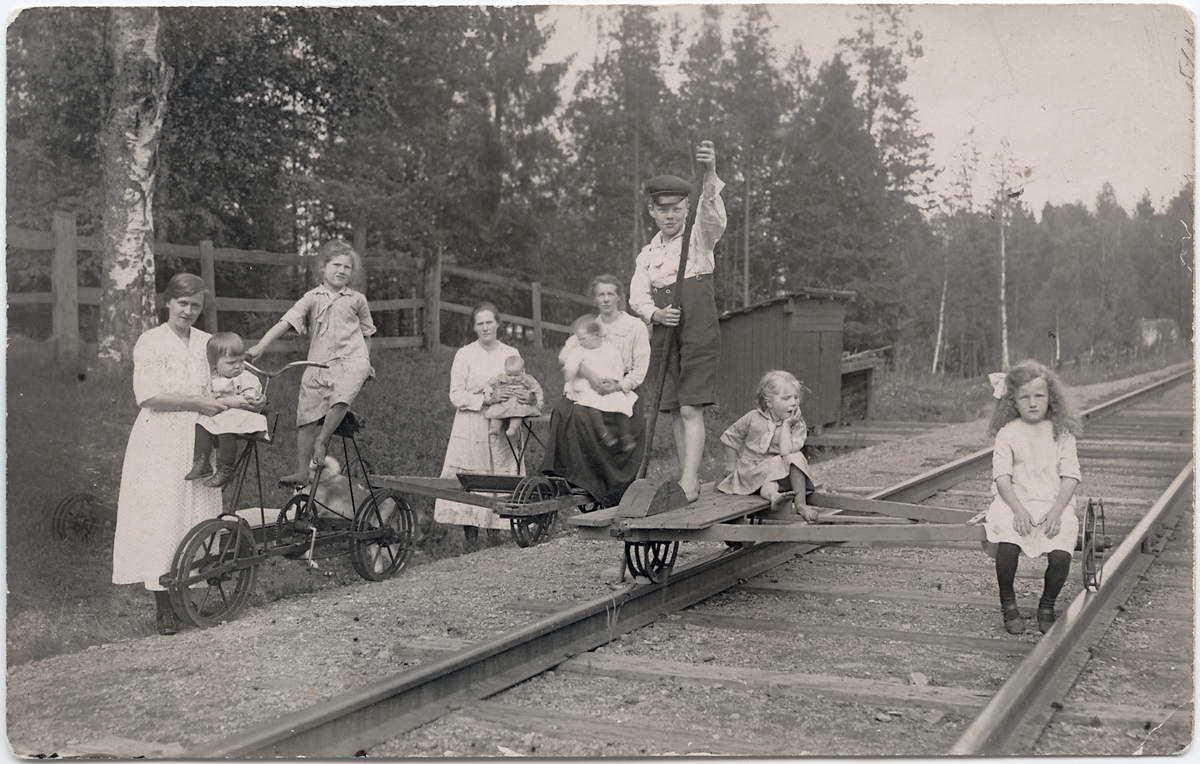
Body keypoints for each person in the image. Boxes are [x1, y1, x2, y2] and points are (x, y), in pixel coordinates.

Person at [111, 273, 229, 636]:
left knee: (194, 513)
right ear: (168, 302)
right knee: (162, 517)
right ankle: (163, 606)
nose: (188, 311)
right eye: (182, 303)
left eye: (196, 305)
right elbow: (148, 396)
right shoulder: (151, 341)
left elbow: (223, 380)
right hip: (160, 438)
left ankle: (186, 597)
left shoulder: (207, 342)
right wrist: (198, 402)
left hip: (199, 438)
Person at [629, 140, 727, 502]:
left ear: (687, 208)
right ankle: (689, 478)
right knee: (673, 408)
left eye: (677, 208)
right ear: (652, 211)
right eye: (663, 209)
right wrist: (655, 314)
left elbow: (713, 216)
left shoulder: (699, 238)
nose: (670, 216)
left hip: (698, 326)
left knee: (690, 405)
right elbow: (637, 296)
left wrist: (711, 172)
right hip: (665, 330)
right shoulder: (647, 254)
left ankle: (688, 480)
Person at [246, 240, 375, 485]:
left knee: (342, 396)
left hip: (352, 360)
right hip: (319, 362)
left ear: (352, 272)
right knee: (306, 418)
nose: (341, 270)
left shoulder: (357, 299)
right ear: (323, 267)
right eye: (336, 265)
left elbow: (367, 333)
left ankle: (323, 440)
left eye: (347, 267)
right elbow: (286, 321)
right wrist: (261, 346)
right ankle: (303, 471)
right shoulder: (312, 298)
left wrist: (366, 362)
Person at [982, 361, 1083, 635]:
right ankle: (1008, 605)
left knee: (1061, 554)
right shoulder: (1008, 433)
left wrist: (1057, 511)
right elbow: (1002, 477)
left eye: (1039, 395)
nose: (1033, 403)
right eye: (1024, 397)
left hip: (1053, 503)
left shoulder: (1061, 433)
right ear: (1013, 401)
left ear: (1050, 397)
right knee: (1008, 546)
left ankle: (1047, 605)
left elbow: (1070, 476)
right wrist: (1018, 510)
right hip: (1014, 502)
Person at [541, 275, 651, 508]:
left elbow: (640, 371)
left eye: (610, 294)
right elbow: (565, 355)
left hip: (622, 391)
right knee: (562, 409)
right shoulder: (590, 325)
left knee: (581, 414)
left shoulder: (634, 326)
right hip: (590, 389)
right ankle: (566, 477)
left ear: (619, 297)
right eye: (601, 294)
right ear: (595, 298)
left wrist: (618, 385)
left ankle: (595, 482)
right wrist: (586, 371)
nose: (606, 299)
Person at [435, 303, 527, 540]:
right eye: (480, 323)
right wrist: (487, 399)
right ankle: (471, 537)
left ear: (498, 324)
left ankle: (496, 531)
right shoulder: (465, 354)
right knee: (472, 473)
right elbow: (456, 395)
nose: (485, 328)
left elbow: (521, 386)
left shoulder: (510, 353)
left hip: (502, 423)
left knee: (499, 472)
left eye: (489, 322)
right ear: (474, 327)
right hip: (471, 422)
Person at [717, 370, 817, 521]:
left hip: (780, 473)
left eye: (796, 397)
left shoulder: (797, 425)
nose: (793, 402)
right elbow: (730, 437)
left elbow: (786, 452)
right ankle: (775, 497)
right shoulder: (753, 418)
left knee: (796, 457)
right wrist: (731, 463)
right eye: (786, 398)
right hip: (752, 471)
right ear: (769, 403)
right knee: (770, 482)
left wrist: (786, 425)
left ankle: (800, 504)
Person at [184, 332, 269, 488]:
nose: (238, 366)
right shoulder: (214, 379)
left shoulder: (245, 377)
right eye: (231, 362)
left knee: (226, 426)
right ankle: (202, 461)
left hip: (241, 414)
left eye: (241, 360)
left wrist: (222, 401)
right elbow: (208, 396)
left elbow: (248, 399)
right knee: (201, 423)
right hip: (223, 415)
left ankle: (226, 469)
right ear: (214, 364)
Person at [562, 316, 637, 452]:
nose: (580, 342)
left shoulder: (610, 349)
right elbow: (571, 367)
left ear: (595, 335)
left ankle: (626, 436)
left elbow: (618, 368)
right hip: (586, 387)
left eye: (583, 338)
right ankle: (604, 434)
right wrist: (570, 376)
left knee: (621, 400)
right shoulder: (579, 351)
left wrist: (612, 381)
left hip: (608, 385)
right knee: (592, 404)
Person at [483, 355, 544, 439]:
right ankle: (495, 428)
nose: (512, 378)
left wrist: (540, 400)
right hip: (503, 404)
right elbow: (489, 385)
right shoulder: (500, 378)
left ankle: (513, 428)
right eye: (509, 375)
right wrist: (487, 394)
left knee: (518, 414)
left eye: (516, 375)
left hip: (518, 403)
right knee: (496, 414)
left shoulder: (527, 379)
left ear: (523, 371)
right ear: (505, 371)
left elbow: (537, 389)